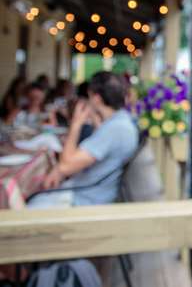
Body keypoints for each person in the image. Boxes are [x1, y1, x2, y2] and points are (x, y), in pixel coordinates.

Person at [28, 71, 139, 208]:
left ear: (96, 98)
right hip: (85, 191)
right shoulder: (119, 122)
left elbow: (65, 165)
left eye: (89, 96)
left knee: (27, 205)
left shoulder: (116, 129)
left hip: (83, 199)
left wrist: (76, 124)